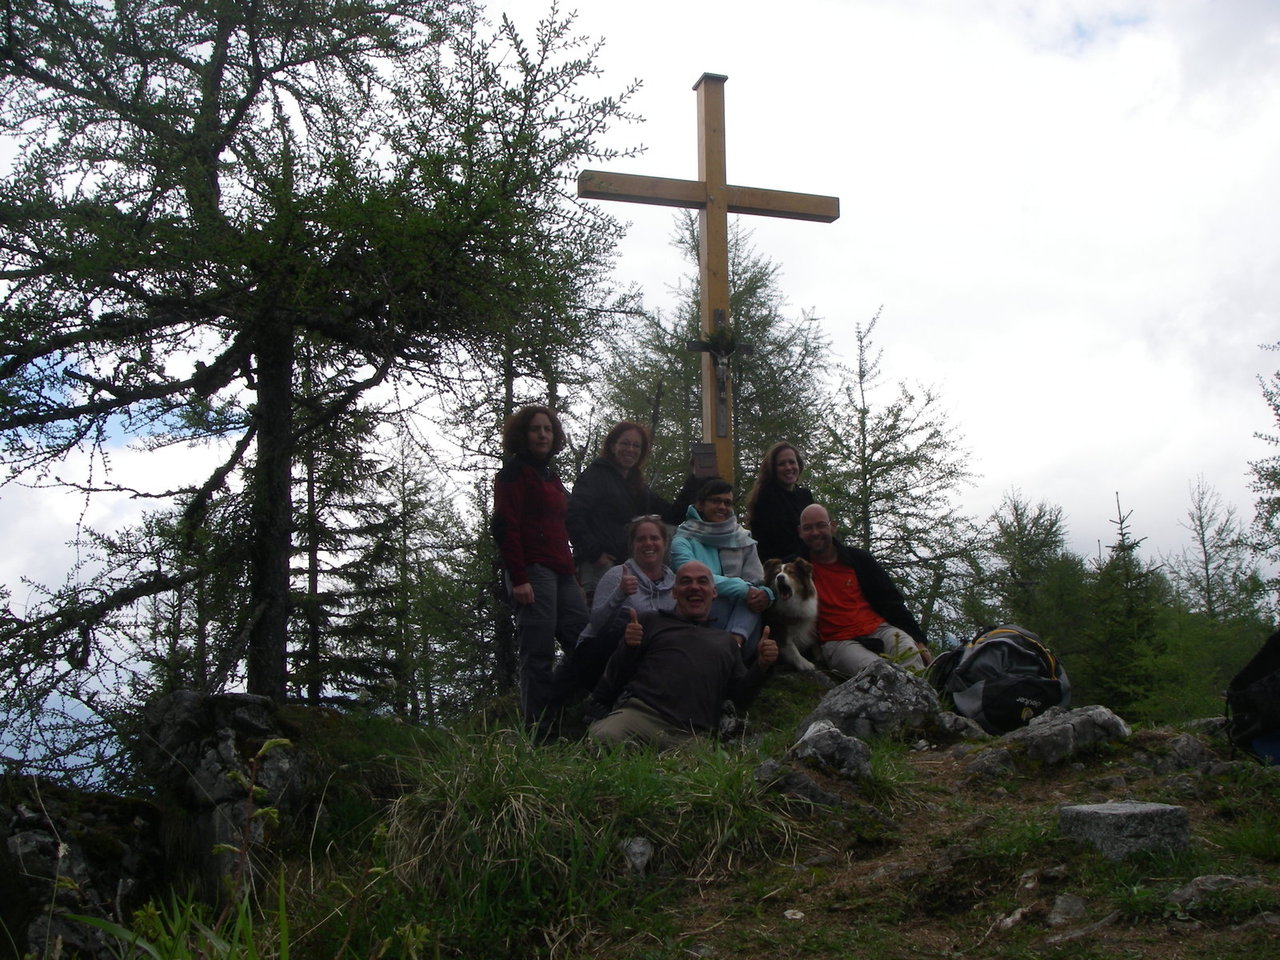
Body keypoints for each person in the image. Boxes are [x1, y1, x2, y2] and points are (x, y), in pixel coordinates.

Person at [588, 561, 778, 748]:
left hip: (694, 733)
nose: (694, 587)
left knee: (705, 775)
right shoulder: (651, 621)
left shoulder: (726, 642)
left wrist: (761, 666)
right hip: (640, 717)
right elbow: (614, 678)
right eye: (686, 581)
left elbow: (741, 698)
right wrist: (628, 647)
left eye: (702, 581)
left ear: (714, 593)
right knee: (602, 739)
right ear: (674, 592)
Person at [493, 404, 589, 740]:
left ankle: (564, 713)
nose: (543, 435)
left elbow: (560, 528)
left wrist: (573, 572)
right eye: (536, 429)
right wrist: (518, 578)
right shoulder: (514, 474)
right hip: (532, 571)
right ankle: (539, 734)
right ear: (523, 434)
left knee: (584, 641)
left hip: (562, 571)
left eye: (548, 429)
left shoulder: (551, 476)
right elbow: (505, 526)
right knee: (538, 652)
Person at [796, 503, 932, 676]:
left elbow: (891, 601)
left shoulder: (859, 560)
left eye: (821, 525)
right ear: (800, 532)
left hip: (879, 629)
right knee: (878, 672)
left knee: (910, 654)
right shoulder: (798, 569)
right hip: (838, 641)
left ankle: (922, 701)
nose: (815, 532)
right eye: (808, 528)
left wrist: (919, 641)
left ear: (833, 526)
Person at [566, 421, 689, 599]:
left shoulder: (636, 485)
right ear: (612, 446)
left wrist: (695, 478)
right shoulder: (595, 475)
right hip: (599, 566)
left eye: (636, 445)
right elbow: (573, 515)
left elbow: (673, 515)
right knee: (600, 615)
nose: (630, 449)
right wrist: (594, 553)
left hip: (627, 567)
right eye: (625, 443)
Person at [670, 478, 773, 659]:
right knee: (745, 593)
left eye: (727, 502)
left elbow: (757, 581)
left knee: (754, 595)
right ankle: (730, 652)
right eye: (716, 501)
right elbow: (689, 576)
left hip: (741, 621)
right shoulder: (683, 539)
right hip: (700, 613)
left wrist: (766, 595)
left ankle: (732, 645)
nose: (722, 507)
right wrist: (743, 589)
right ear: (700, 505)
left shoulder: (743, 538)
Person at [573, 515, 677, 691]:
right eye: (641, 539)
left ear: (665, 543)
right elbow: (596, 625)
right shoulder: (617, 575)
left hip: (653, 655)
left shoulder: (674, 584)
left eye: (654, 538)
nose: (648, 543)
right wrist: (619, 594)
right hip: (602, 654)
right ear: (632, 545)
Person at [744, 442, 814, 563]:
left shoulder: (805, 496)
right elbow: (781, 540)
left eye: (792, 462)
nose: (788, 467)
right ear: (773, 469)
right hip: (779, 565)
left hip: (805, 560)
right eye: (782, 464)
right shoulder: (766, 495)